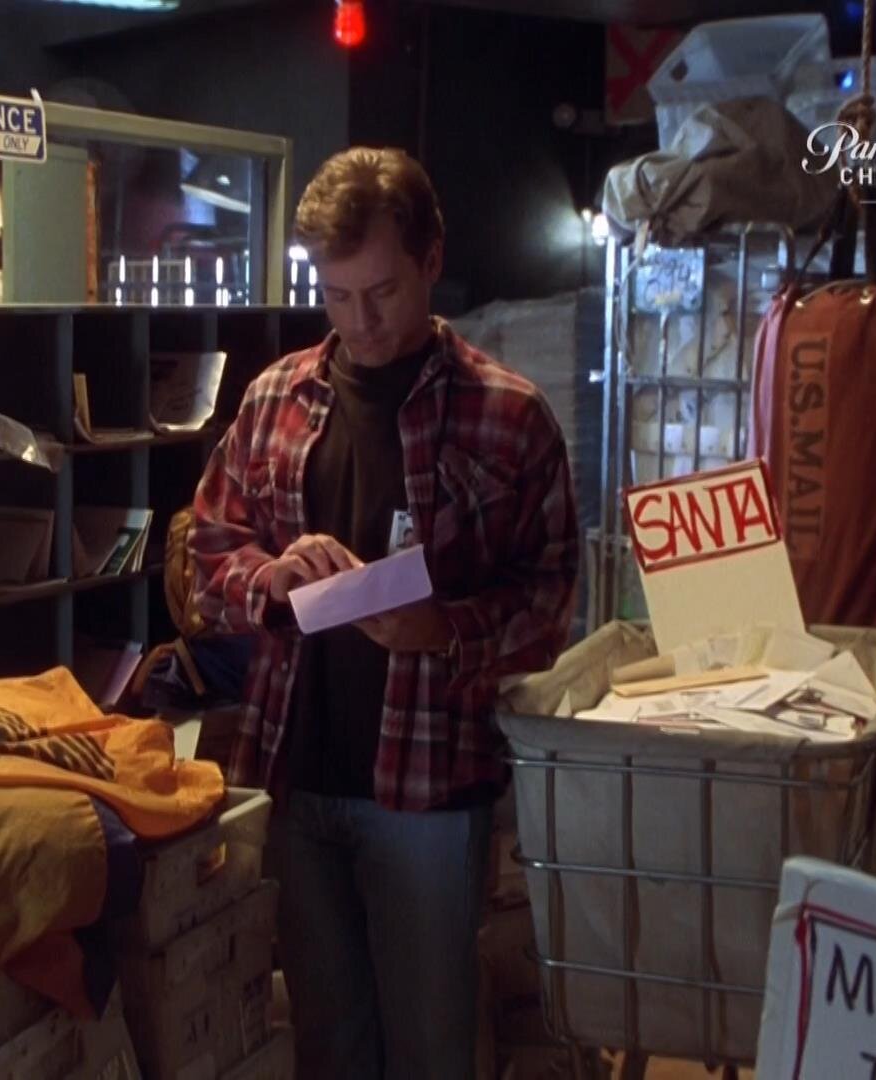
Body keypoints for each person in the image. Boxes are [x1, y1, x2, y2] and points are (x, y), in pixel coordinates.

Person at [188, 147, 578, 1079]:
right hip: (292, 774)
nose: (359, 321)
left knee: (433, 1049)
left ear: (432, 261)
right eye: (336, 296)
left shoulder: (509, 414)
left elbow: (551, 598)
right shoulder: (273, 399)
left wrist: (445, 629)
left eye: (383, 292)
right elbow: (207, 557)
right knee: (328, 1047)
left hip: (430, 792)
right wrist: (270, 582)